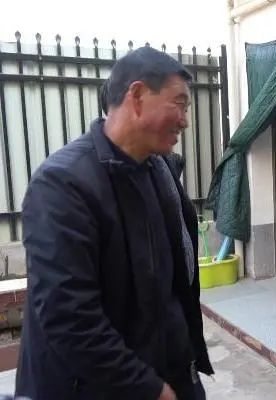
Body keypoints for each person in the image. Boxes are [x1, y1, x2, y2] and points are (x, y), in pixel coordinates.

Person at [15, 47, 213, 400]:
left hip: (169, 369)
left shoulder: (160, 170)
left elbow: (174, 286)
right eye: (179, 104)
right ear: (137, 96)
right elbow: (69, 317)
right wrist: (148, 388)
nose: (185, 120)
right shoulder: (62, 184)